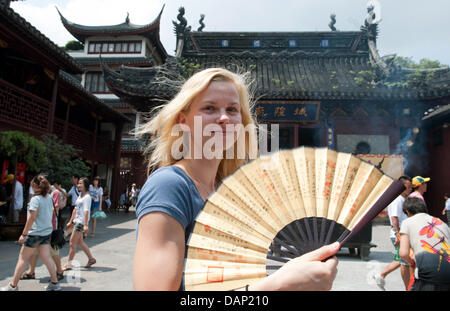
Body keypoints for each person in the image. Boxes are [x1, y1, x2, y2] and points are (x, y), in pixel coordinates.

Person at [133, 68, 339, 291]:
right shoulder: (170, 186)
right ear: (183, 120)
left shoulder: (222, 191)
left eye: (232, 109)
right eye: (209, 108)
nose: (223, 117)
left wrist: (294, 273)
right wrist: (277, 286)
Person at [1, 174, 61, 291]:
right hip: (46, 233)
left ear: (35, 185)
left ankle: (13, 285)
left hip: (34, 234)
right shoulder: (49, 197)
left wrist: (23, 234)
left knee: (22, 259)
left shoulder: (35, 199)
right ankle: (54, 283)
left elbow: (32, 218)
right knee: (47, 258)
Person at [399, 197, 450, 291]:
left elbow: (403, 253)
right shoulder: (441, 222)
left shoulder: (407, 222)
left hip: (429, 273)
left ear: (407, 212)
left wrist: (411, 262)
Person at [373, 176, 413, 290]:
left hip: (402, 234)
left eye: (411, 187)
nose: (410, 189)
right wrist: (397, 234)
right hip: (400, 234)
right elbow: (394, 218)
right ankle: (408, 287)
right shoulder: (397, 200)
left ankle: (381, 275)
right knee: (405, 260)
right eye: (408, 186)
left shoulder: (402, 198)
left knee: (402, 259)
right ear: (401, 187)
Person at [21, 183, 64, 281]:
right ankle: (31, 272)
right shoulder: (40, 197)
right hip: (38, 228)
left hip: (50, 227)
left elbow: (56, 208)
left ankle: (59, 271)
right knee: (34, 251)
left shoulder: (54, 193)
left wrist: (43, 210)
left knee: (53, 251)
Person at [63, 177, 96, 271]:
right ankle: (91, 259)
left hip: (80, 223)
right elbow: (75, 209)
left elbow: (86, 211)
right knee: (80, 242)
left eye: (80, 183)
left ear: (85, 185)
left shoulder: (87, 197)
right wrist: (70, 221)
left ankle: (69, 264)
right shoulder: (80, 195)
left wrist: (85, 225)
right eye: (78, 183)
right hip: (76, 221)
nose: (78, 185)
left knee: (72, 243)